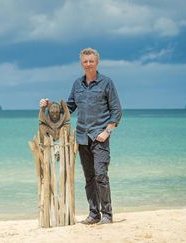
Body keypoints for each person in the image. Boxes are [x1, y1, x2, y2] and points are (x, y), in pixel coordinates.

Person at [39, 47, 122, 225]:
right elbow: (68, 108)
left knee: (101, 175)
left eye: (91, 61)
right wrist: (47, 106)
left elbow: (116, 111)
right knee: (89, 177)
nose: (88, 64)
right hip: (82, 137)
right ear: (81, 64)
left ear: (97, 62)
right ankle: (94, 214)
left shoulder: (107, 83)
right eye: (85, 61)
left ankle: (107, 214)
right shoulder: (77, 84)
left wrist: (107, 131)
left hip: (100, 137)